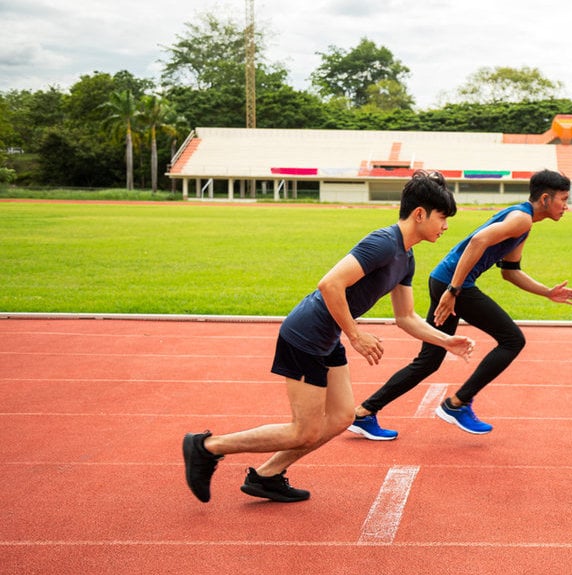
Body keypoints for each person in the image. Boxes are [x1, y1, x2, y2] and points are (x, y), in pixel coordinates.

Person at [182, 170, 474, 503]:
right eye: (442, 217)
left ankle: (268, 475)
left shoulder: (406, 258)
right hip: (305, 335)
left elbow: (405, 317)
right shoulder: (383, 242)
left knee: (341, 417)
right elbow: (330, 284)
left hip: (328, 337)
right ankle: (206, 447)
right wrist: (356, 335)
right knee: (302, 430)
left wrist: (445, 340)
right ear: (420, 214)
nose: (446, 226)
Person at [349, 169, 572, 440]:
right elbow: (478, 240)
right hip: (453, 285)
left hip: (446, 281)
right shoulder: (521, 219)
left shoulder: (523, 223)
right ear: (545, 198)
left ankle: (365, 413)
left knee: (429, 361)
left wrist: (547, 292)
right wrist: (454, 290)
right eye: (563, 199)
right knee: (512, 340)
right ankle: (457, 404)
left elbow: (510, 270)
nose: (566, 206)